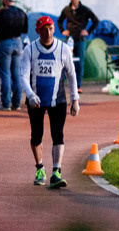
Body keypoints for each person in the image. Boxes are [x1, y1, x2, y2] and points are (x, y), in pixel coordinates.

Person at [22, 15, 78, 188]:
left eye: (50, 28)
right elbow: (23, 75)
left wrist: (75, 98)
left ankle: (56, 172)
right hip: (36, 100)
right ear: (38, 31)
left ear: (54, 29)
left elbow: (71, 74)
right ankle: (40, 168)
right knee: (36, 135)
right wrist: (30, 95)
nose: (48, 32)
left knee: (58, 134)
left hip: (58, 100)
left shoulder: (63, 48)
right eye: (44, 29)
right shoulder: (30, 49)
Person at [0, 0, 29, 111]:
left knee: (5, 74)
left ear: (5, 0)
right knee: (16, 74)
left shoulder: (0, 12)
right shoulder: (22, 13)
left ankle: (6, 103)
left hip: (4, 43)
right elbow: (25, 30)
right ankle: (17, 103)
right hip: (18, 42)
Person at [57, 0, 100, 89]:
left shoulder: (85, 10)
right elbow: (59, 21)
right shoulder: (66, 9)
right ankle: (62, 84)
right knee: (66, 62)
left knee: (80, 63)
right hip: (69, 39)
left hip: (80, 40)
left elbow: (96, 21)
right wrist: (63, 30)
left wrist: (88, 31)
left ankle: (78, 85)